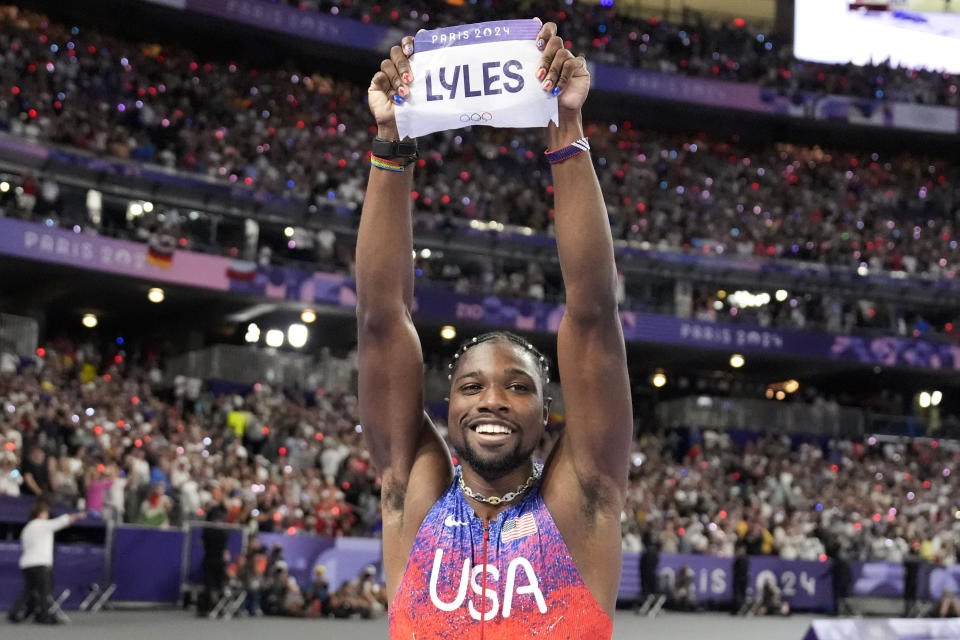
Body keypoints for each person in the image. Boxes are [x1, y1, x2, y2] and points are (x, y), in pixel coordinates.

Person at [357, 20, 632, 639]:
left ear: (546, 412)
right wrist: (390, 144)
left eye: (518, 386)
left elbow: (590, 313)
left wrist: (566, 131)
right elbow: (381, 319)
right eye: (472, 385)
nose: (492, 401)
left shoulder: (581, 498)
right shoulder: (413, 494)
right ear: (447, 405)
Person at [7, 500, 86, 624]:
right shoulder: (42, 525)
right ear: (40, 513)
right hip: (40, 564)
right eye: (45, 512)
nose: (47, 514)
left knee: (28, 590)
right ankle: (44, 616)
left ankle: (14, 613)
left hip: (27, 564)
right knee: (45, 591)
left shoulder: (27, 528)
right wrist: (78, 515)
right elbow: (61, 521)